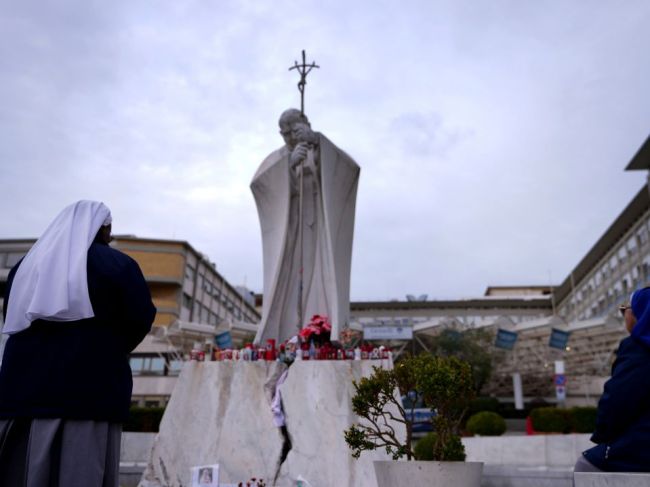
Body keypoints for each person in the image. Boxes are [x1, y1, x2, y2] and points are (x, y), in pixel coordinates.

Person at [0, 200, 156, 486]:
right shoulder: (118, 264)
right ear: (103, 226)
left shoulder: (25, 267)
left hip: (21, 392)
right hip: (89, 394)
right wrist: (109, 348)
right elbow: (140, 317)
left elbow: (11, 314)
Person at [251, 108, 360, 344]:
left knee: (320, 274)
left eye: (294, 131)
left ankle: (321, 329)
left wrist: (317, 144)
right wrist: (287, 167)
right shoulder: (277, 158)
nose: (290, 137)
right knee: (289, 277)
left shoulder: (321, 148)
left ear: (307, 124)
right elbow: (260, 185)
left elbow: (349, 170)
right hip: (290, 230)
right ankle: (285, 334)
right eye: (285, 133)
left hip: (319, 228)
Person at [575, 287, 650, 472]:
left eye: (625, 309)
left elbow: (617, 402)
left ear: (642, 313)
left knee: (586, 466)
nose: (624, 314)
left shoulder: (639, 350)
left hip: (642, 447)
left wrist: (604, 436)